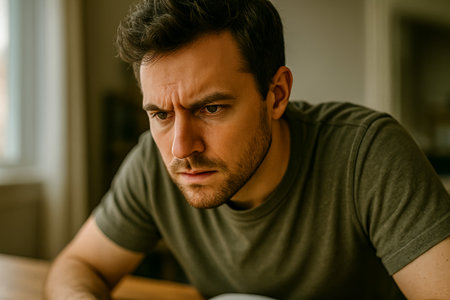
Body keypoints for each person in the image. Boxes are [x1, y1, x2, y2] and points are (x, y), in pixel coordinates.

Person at [45, 0, 450, 299]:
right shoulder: (154, 164)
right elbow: (79, 266)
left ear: (276, 95)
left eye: (211, 108)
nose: (181, 147)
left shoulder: (368, 153)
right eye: (161, 114)